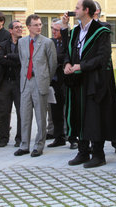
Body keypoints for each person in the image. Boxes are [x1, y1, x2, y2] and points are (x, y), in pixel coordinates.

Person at [63, 0, 116, 168]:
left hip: (94, 81)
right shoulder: (75, 31)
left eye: (77, 7)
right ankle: (82, 152)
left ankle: (98, 154)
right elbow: (68, 50)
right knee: (79, 115)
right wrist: (67, 64)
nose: (74, 10)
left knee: (94, 117)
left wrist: (81, 66)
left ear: (87, 10)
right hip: (77, 81)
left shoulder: (101, 31)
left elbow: (102, 57)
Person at [14, 14, 57, 157]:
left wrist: (45, 78)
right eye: (36, 25)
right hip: (26, 82)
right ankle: (24, 145)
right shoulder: (21, 43)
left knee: (40, 116)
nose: (39, 27)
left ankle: (39, 145)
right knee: (24, 115)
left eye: (40, 24)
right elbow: (22, 60)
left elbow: (52, 64)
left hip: (40, 82)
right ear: (29, 27)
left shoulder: (47, 42)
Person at [93, 1, 116, 157]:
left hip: (105, 75)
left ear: (96, 11)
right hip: (91, 76)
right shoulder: (82, 30)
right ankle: (94, 143)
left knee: (110, 110)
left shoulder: (104, 27)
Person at [0, 20, 23, 147]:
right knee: (3, 112)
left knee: (21, 112)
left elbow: (23, 60)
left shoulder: (24, 43)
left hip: (19, 83)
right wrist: (14, 58)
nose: (19, 29)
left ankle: (20, 138)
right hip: (5, 82)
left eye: (21, 27)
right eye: (16, 27)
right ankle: (3, 138)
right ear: (10, 30)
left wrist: (9, 57)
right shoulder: (3, 44)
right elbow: (0, 59)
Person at [47, 20, 67, 148]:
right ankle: (58, 137)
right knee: (55, 111)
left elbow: (65, 57)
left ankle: (72, 138)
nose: (53, 32)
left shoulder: (68, 42)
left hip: (65, 81)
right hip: (53, 81)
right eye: (52, 29)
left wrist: (55, 58)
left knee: (68, 111)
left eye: (56, 30)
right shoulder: (50, 42)